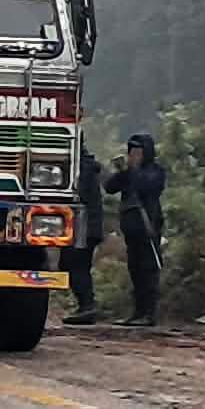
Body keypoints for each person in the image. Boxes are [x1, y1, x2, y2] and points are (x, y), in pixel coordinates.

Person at [107, 131, 167, 326]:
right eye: (131, 151)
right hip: (131, 228)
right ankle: (137, 312)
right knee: (135, 270)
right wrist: (122, 171)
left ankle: (149, 314)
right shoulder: (129, 172)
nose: (133, 155)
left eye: (138, 152)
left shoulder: (156, 171)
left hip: (148, 226)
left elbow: (147, 187)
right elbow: (110, 187)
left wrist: (132, 171)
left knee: (148, 269)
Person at [57, 141, 108, 325]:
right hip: (86, 226)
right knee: (76, 265)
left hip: (83, 226)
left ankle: (87, 305)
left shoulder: (81, 169)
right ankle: (86, 305)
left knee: (74, 264)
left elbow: (76, 194)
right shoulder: (86, 166)